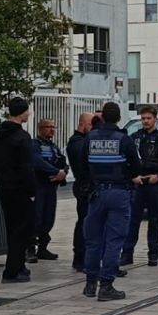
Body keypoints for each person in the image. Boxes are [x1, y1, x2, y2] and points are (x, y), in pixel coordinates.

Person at [83, 102, 143, 301]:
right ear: (118, 118)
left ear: (102, 117)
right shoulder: (123, 140)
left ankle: (90, 284)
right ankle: (106, 285)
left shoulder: (89, 138)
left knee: (93, 240)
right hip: (118, 193)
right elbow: (136, 167)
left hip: (96, 193)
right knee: (114, 240)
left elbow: (81, 164)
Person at [0, 97, 35, 283]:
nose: (28, 114)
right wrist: (32, 191)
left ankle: (19, 265)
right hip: (20, 189)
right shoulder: (22, 138)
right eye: (27, 111)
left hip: (4, 187)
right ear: (22, 113)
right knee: (21, 230)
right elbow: (27, 167)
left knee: (12, 228)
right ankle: (12, 271)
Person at [122, 106, 158, 267]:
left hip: (155, 184)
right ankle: (127, 254)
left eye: (148, 118)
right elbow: (126, 159)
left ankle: (153, 255)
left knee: (155, 221)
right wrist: (133, 177)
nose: (145, 121)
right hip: (138, 185)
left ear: (155, 119)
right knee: (133, 221)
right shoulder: (134, 137)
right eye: (143, 118)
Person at [31, 118, 68, 262]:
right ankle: (30, 249)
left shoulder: (53, 146)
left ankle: (43, 248)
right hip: (39, 186)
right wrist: (55, 171)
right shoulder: (35, 145)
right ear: (40, 128)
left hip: (51, 187)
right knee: (36, 218)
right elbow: (38, 162)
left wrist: (63, 172)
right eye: (48, 127)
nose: (52, 130)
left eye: (53, 127)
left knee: (48, 218)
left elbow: (62, 161)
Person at [66, 113, 95, 272]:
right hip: (84, 187)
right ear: (82, 124)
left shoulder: (83, 141)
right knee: (84, 223)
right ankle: (80, 258)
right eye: (91, 125)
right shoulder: (77, 142)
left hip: (87, 186)